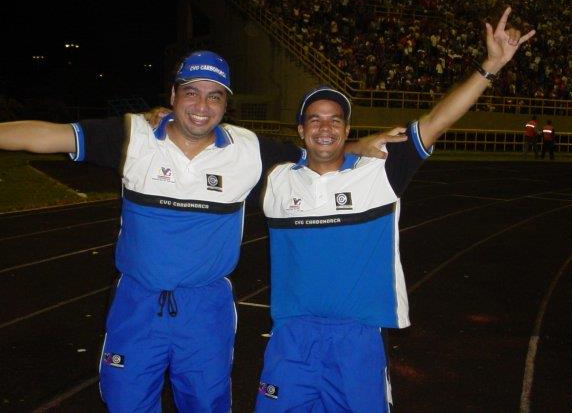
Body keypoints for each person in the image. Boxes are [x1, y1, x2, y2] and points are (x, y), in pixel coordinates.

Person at [0, 51, 401, 412]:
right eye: (192, 92)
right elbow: (50, 135)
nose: (201, 106)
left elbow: (319, 151)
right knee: (125, 402)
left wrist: (362, 144)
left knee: (206, 404)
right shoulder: (135, 136)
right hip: (137, 302)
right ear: (173, 95)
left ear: (226, 105)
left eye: (215, 96)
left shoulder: (247, 150)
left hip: (206, 309)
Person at [256, 7, 535, 412]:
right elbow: (209, 138)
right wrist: (166, 118)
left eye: (335, 120)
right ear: (301, 130)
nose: (325, 127)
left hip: (358, 340)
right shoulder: (276, 178)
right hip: (291, 340)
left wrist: (489, 67)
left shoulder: (379, 172)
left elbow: (436, 121)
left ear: (347, 129)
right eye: (314, 120)